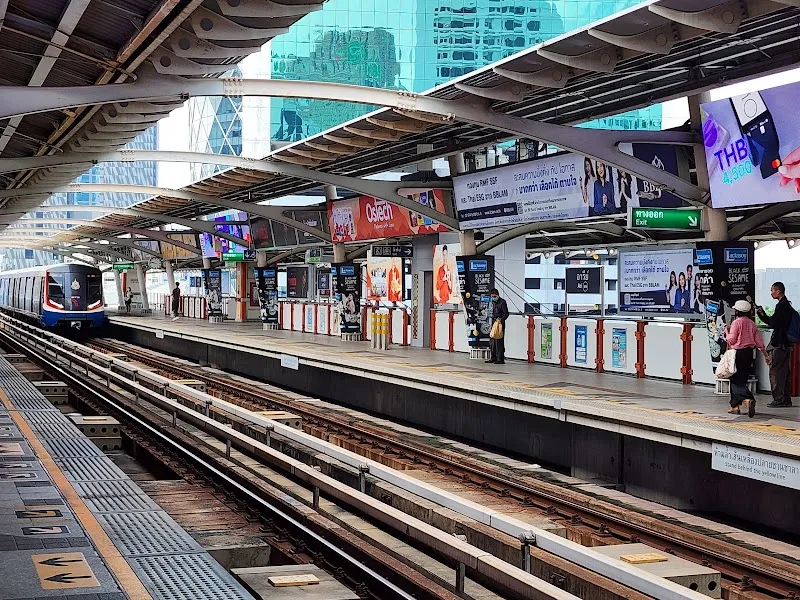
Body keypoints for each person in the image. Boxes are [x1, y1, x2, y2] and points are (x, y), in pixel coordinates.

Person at [756, 282, 794, 407]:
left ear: (778, 291)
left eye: (772, 290)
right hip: (786, 344)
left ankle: (779, 399)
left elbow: (773, 322)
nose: (771, 293)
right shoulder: (787, 305)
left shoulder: (782, 306)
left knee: (775, 372)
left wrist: (761, 314)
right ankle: (786, 398)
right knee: (784, 372)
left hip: (779, 344)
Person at [725, 300, 766, 417]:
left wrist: (726, 332)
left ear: (737, 311)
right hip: (749, 354)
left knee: (734, 379)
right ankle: (734, 406)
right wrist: (765, 354)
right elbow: (759, 341)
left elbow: (731, 339)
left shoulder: (736, 323)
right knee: (742, 379)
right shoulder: (752, 323)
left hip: (737, 353)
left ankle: (748, 399)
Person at [486, 288, 510, 365]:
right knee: (492, 340)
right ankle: (493, 357)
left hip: (500, 323)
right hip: (493, 322)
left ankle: (500, 359)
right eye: (492, 296)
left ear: (498, 295)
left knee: (499, 341)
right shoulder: (492, 302)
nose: (493, 298)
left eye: (494, 296)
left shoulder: (502, 302)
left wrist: (501, 319)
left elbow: (506, 314)